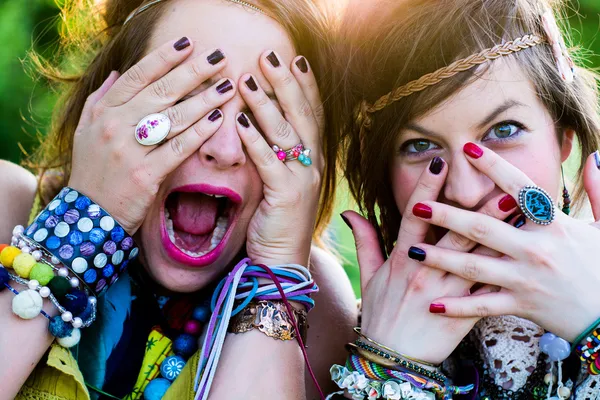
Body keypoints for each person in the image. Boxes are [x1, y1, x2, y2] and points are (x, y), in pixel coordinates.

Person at [0, 0, 357, 399]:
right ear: (106, 102)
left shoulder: (318, 302)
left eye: (263, 116)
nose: (224, 149)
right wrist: (82, 227)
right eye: (187, 100)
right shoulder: (5, 203)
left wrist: (276, 278)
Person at [328, 0, 600, 398]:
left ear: (564, 137)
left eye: (504, 130)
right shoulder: (340, 333)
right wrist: (389, 369)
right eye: (420, 145)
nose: (466, 193)